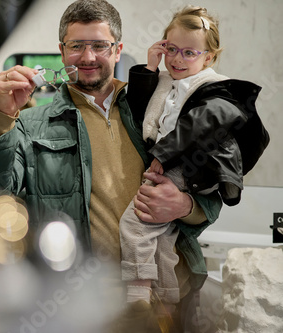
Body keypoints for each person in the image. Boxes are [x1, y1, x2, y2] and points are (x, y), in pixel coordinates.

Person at [0, 0, 223, 331]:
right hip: (80, 309)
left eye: (99, 46)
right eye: (77, 46)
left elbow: (213, 184)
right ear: (62, 52)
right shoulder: (30, 124)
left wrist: (186, 205)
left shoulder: (154, 111)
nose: (88, 57)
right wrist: (4, 116)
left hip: (168, 302)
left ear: (117, 50)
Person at [119, 4, 269, 327]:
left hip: (189, 165)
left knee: (135, 222)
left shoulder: (215, 90)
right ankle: (166, 301)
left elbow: (197, 126)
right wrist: (149, 66)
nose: (177, 59)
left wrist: (162, 154)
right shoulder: (168, 80)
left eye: (189, 52)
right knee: (160, 237)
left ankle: (136, 295)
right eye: (171, 49)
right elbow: (142, 112)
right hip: (178, 162)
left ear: (209, 57)